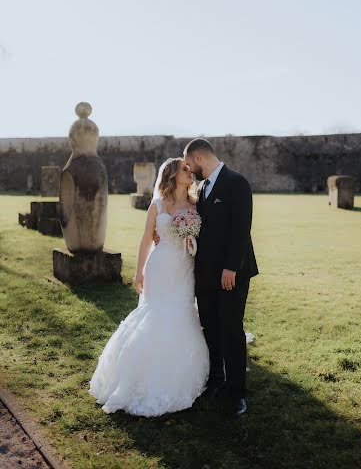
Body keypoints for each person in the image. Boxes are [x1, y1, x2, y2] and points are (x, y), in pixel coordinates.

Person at [88, 158, 209, 417]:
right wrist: (138, 272)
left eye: (190, 169)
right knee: (156, 313)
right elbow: (146, 240)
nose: (191, 173)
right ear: (173, 175)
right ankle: (137, 374)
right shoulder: (157, 205)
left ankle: (178, 371)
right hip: (160, 266)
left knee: (182, 311)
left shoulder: (196, 203)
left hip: (186, 268)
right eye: (185, 169)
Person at [183, 138, 258, 417]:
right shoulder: (200, 188)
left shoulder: (236, 182)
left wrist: (231, 268)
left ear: (199, 158)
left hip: (232, 273)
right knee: (210, 329)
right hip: (205, 274)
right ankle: (217, 380)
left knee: (231, 330)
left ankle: (237, 392)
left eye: (189, 164)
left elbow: (241, 229)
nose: (190, 170)